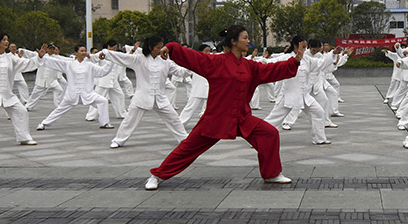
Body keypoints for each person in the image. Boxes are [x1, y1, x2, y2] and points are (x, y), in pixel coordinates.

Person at [145, 25, 304, 191]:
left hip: (242, 118)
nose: (248, 41)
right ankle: (157, 175)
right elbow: (193, 57)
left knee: (269, 133)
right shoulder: (215, 62)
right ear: (234, 41)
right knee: (187, 149)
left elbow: (271, 70)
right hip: (216, 119)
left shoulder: (249, 66)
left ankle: (271, 174)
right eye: (245, 37)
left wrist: (295, 61)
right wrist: (171, 48)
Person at [104, 36, 189, 148]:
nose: (161, 50)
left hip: (160, 98)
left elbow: (181, 72)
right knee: (130, 120)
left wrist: (192, 65)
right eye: (158, 48)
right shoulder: (139, 59)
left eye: (161, 47)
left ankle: (183, 138)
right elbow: (122, 57)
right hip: (142, 97)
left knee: (174, 118)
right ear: (150, 48)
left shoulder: (166, 62)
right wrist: (105, 54)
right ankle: (118, 140)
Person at [263, 37, 331, 144]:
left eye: (305, 47)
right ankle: (257, 138)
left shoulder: (307, 59)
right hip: (288, 95)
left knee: (319, 112)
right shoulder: (286, 58)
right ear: (295, 46)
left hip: (304, 96)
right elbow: (271, 62)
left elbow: (321, 63)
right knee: (274, 119)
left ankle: (319, 139)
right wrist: (263, 61)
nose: (305, 49)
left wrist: (334, 54)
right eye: (303, 46)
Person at [36, 46, 114, 131]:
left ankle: (104, 123)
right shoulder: (69, 64)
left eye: (85, 51)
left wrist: (111, 61)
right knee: (59, 110)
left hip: (87, 94)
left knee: (103, 101)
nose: (84, 52)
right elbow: (54, 62)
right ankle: (44, 123)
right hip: (72, 94)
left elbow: (102, 71)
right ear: (76, 53)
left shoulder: (90, 65)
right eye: (81, 51)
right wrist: (42, 57)